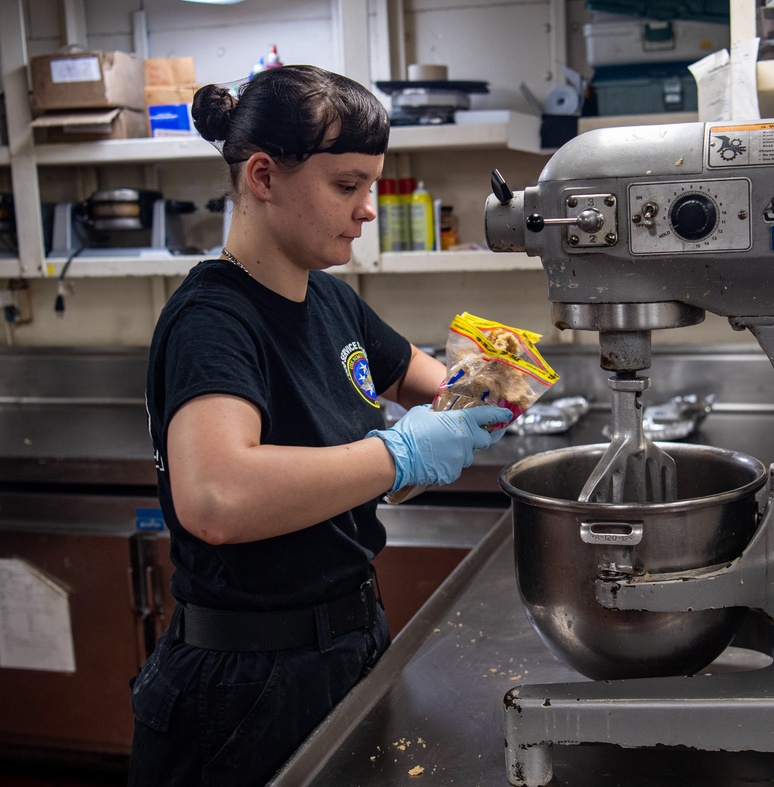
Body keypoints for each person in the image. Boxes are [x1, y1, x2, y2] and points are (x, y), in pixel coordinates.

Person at [128, 64, 512, 787]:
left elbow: (428, 379)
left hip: (347, 642)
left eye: (370, 185)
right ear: (265, 175)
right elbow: (216, 499)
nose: (366, 209)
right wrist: (397, 454)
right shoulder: (213, 321)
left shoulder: (333, 303)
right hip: (244, 682)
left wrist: (500, 374)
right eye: (347, 186)